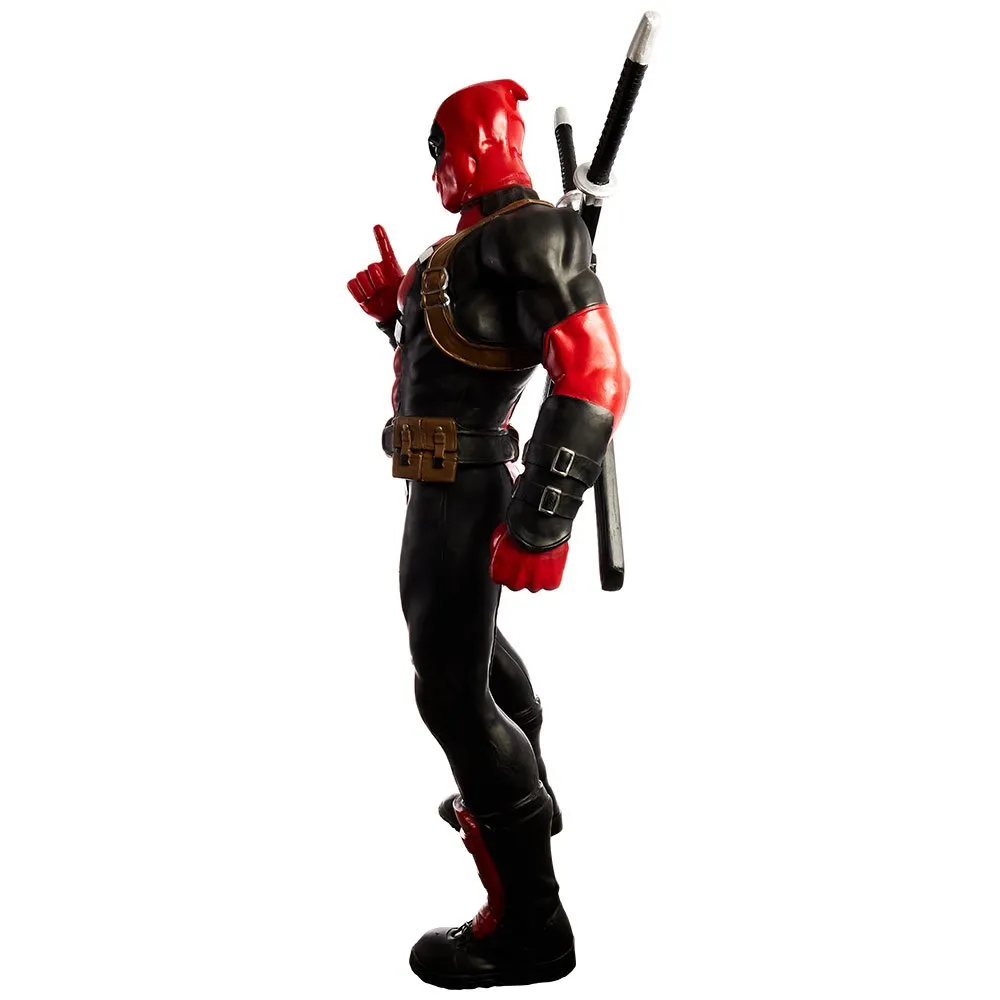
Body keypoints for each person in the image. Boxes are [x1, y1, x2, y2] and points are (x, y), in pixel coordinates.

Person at [347, 79, 629, 989]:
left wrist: (544, 518)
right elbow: (456, 360)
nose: (434, 168)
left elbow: (595, 376)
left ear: (471, 144)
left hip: (463, 488)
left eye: (439, 148)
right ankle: (525, 794)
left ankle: (529, 927)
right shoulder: (464, 248)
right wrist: (395, 314)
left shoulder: (533, 233)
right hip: (438, 483)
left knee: (449, 694)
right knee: (471, 660)